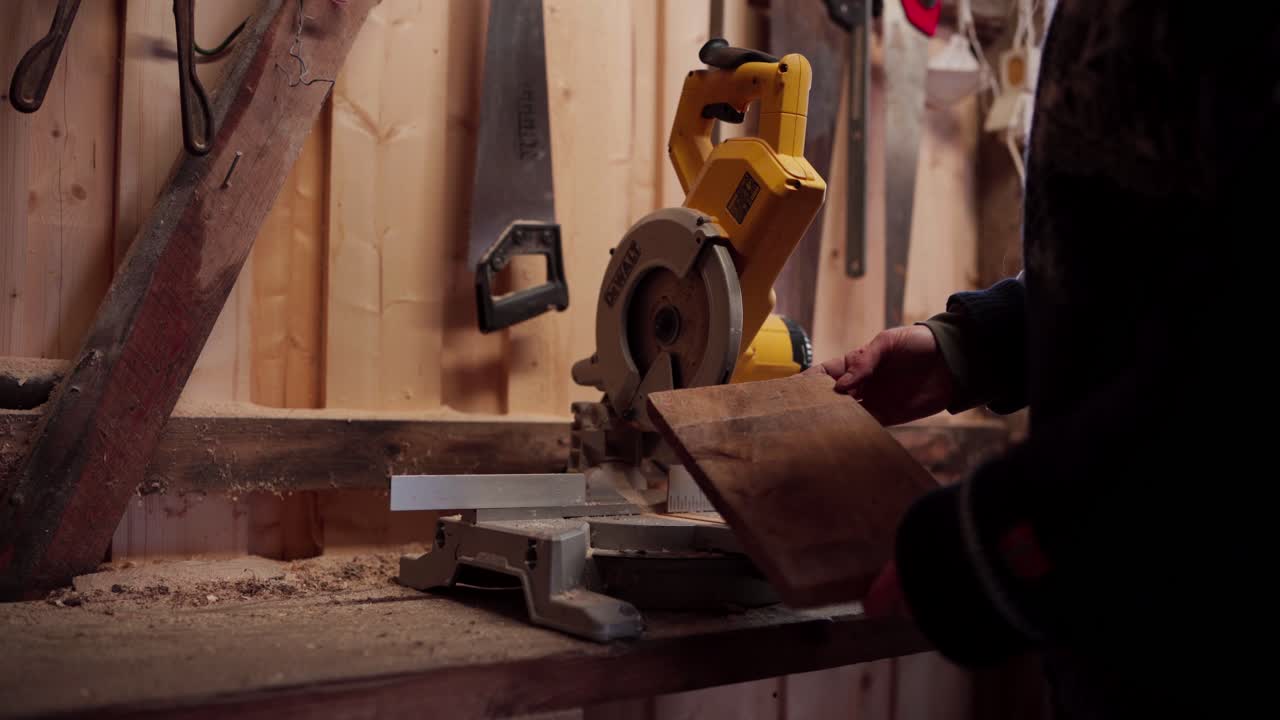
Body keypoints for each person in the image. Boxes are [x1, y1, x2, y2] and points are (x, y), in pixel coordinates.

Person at [807, 1, 1270, 717]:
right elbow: (1168, 266)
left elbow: (1234, 368)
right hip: (1128, 634)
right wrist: (975, 346)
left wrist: (992, 541)